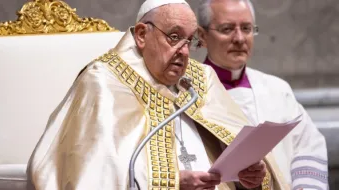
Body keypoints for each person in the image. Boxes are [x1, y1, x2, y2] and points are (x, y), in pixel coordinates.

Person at [26, 0, 288, 189]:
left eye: (190, 41)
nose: (184, 51)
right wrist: (172, 183)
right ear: (141, 35)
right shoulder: (104, 80)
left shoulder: (200, 80)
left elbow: (237, 155)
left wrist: (250, 178)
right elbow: (92, 172)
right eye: (174, 37)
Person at [197, 0, 329, 189]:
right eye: (227, 29)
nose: (240, 38)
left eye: (246, 28)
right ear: (202, 36)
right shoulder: (187, 93)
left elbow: (308, 145)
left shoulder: (277, 89)